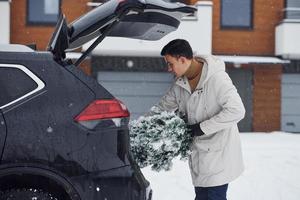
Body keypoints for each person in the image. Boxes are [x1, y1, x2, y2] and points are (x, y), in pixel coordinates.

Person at [152, 39, 245, 200]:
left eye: (170, 64)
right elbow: (160, 110)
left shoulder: (217, 79)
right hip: (199, 159)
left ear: (182, 59)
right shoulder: (180, 85)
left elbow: (237, 110)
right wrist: (140, 128)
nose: (169, 69)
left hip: (219, 158)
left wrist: (201, 128)